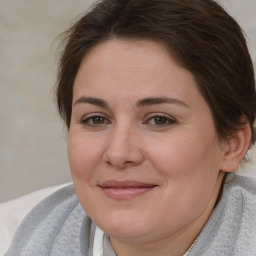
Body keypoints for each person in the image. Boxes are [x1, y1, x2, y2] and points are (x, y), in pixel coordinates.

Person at [5, 0, 256, 255]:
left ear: (232, 143)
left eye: (160, 120)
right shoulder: (13, 238)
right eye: (96, 119)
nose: (119, 153)